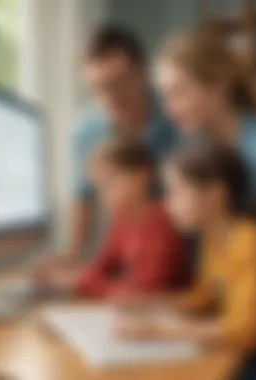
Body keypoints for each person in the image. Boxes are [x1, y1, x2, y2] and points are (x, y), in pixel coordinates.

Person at [115, 144, 256, 380]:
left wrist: (159, 331)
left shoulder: (250, 241)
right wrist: (150, 304)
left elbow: (247, 330)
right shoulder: (212, 237)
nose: (168, 203)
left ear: (216, 193)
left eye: (177, 191)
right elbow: (205, 298)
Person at [153, 28, 256, 295]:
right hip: (227, 309)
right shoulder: (192, 150)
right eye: (164, 96)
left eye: (179, 92)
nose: (169, 107)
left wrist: (255, 291)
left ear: (219, 86)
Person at [33, 23, 178, 280]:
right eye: (98, 88)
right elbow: (83, 199)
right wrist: (72, 256)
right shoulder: (86, 132)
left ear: (142, 71)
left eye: (118, 83)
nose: (110, 97)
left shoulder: (177, 116)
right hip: (131, 254)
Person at [37, 140, 187, 298]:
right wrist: (64, 270)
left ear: (141, 177)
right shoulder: (123, 220)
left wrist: (80, 279)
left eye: (109, 183)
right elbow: (103, 267)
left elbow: (144, 292)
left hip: (161, 313)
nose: (103, 195)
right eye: (99, 187)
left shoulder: (162, 222)